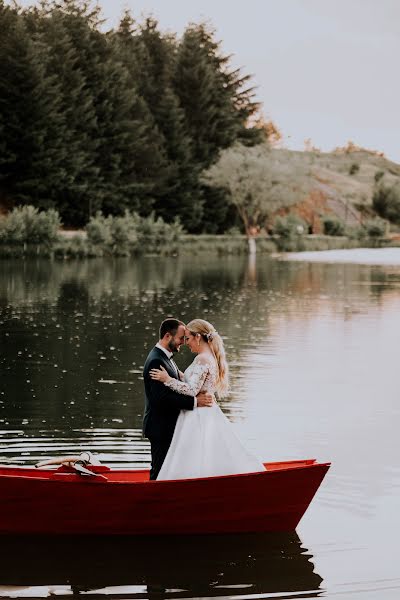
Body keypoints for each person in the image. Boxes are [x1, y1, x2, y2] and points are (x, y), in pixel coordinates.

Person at [150, 318, 265, 480]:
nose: (186, 343)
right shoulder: (208, 357)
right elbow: (194, 382)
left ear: (198, 337)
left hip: (198, 415)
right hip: (204, 411)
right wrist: (179, 375)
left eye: (188, 339)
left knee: (193, 454)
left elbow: (191, 390)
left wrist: (167, 379)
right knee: (205, 453)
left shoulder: (202, 359)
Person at [143, 318, 214, 480]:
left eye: (185, 338)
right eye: (181, 338)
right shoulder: (156, 360)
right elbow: (161, 398)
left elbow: (182, 383)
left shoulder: (166, 358)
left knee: (167, 470)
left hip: (167, 425)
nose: (183, 342)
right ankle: (153, 501)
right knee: (160, 472)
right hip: (160, 426)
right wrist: (196, 402)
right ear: (168, 336)